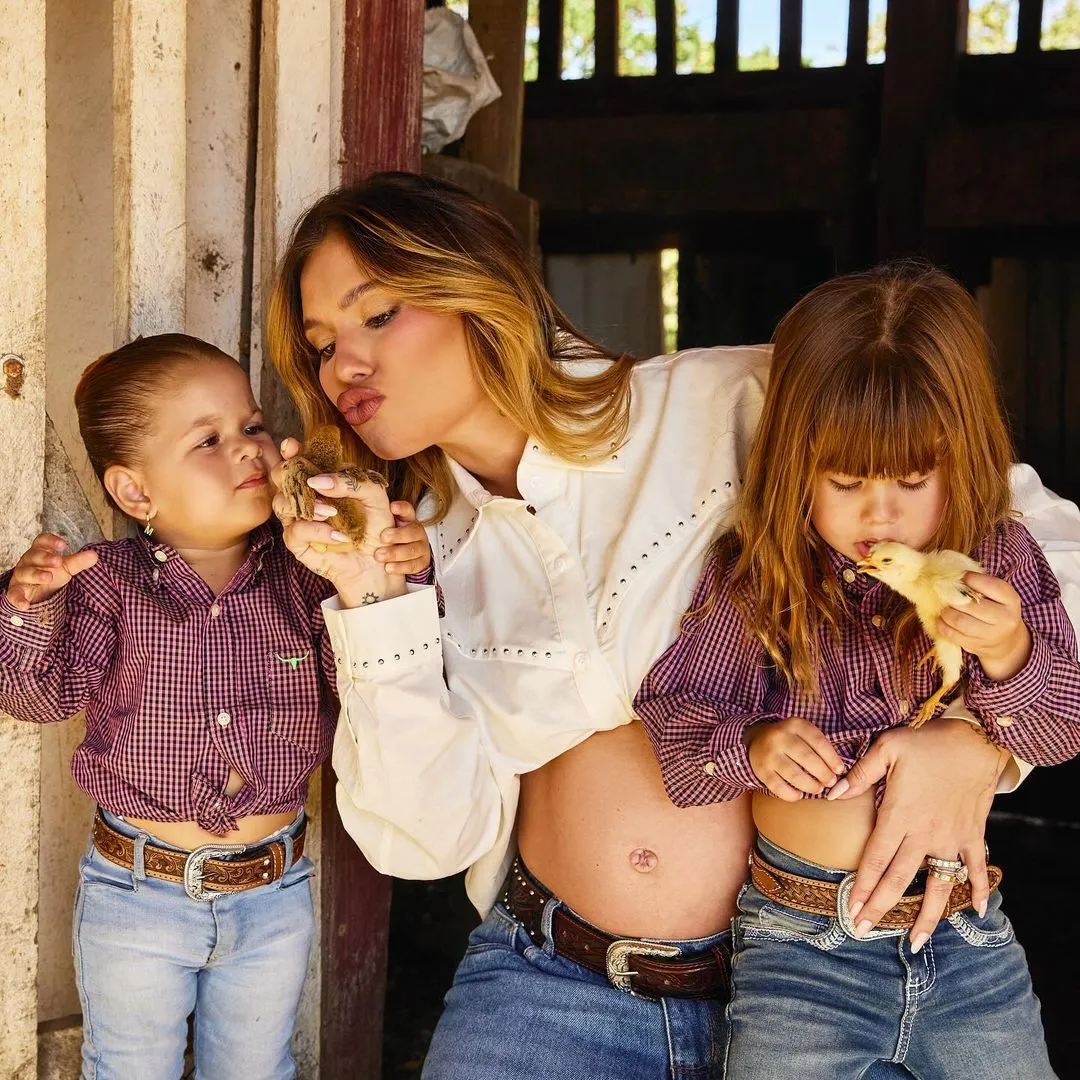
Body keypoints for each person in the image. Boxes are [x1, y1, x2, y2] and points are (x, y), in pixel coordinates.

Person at [266, 172, 1080, 1079]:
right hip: (553, 993)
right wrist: (376, 604)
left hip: (830, 985)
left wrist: (972, 740)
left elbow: (1014, 522)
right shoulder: (414, 552)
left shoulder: (722, 400)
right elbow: (422, 840)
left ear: (479, 290)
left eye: (376, 315)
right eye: (322, 342)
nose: (344, 364)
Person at [635, 265, 1077, 1078]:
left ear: (965, 456)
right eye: (845, 482)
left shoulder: (998, 559)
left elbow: (1058, 733)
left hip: (967, 934)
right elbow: (675, 728)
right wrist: (753, 744)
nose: (880, 515)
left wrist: (1010, 650)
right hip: (803, 957)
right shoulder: (757, 575)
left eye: (913, 481)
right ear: (793, 462)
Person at [0, 333, 428, 1079]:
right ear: (136, 493)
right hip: (137, 895)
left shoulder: (305, 577)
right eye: (209, 439)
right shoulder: (109, 585)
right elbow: (40, 696)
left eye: (254, 425)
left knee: (258, 1068)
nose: (248, 449)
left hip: (273, 892)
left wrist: (383, 565)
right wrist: (26, 607)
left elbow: (374, 679)